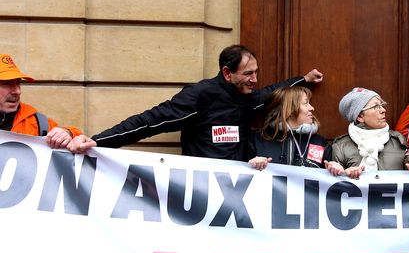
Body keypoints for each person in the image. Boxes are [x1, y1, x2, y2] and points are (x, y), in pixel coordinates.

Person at [67, 45, 323, 159]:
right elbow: (149, 122)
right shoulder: (200, 96)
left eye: (256, 72)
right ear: (226, 73)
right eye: (248, 74)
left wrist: (303, 79)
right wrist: (99, 141)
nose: (254, 79)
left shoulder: (248, 98)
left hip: (242, 190)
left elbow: (272, 91)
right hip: (203, 191)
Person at [0, 53, 81, 147]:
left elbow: (80, 144)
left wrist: (68, 133)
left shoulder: (37, 123)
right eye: (7, 84)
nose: (18, 91)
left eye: (18, 83)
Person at [327, 87, 407, 179]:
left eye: (382, 105)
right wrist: (346, 175)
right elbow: (336, 186)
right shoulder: (341, 147)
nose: (383, 110)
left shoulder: (398, 141)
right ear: (360, 116)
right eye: (375, 106)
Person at [247, 86, 332, 169]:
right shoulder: (257, 140)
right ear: (289, 109)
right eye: (306, 103)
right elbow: (240, 174)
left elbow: (329, 179)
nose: (312, 108)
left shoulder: (319, 143)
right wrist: (251, 166)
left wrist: (335, 170)